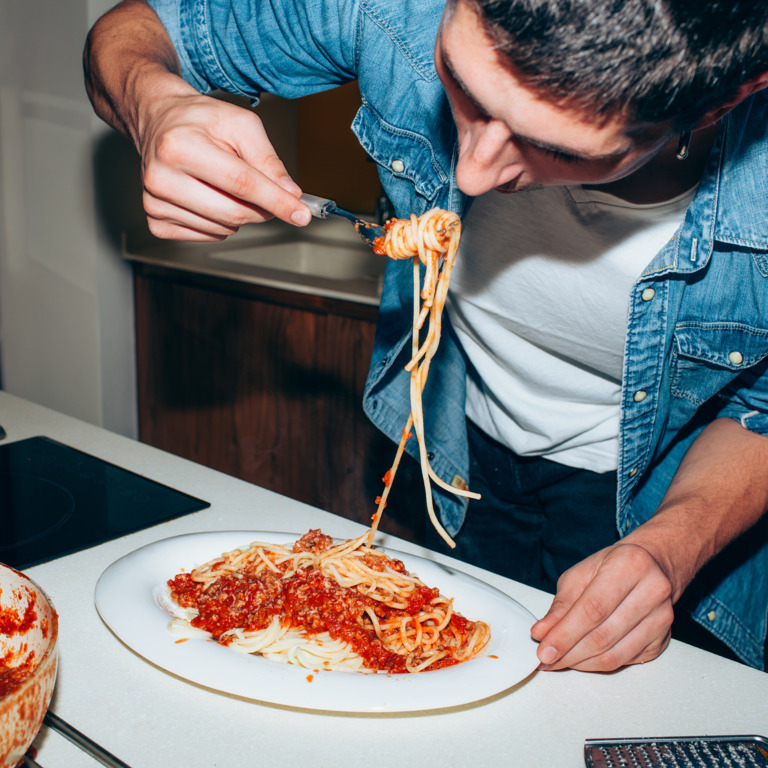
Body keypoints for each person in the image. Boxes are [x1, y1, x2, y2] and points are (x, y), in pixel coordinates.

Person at [83, 0, 768, 672]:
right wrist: (155, 105)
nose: (470, 174)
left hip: (678, 490)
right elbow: (131, 30)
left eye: (554, 147)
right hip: (458, 450)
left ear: (719, 103)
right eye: (459, 82)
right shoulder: (399, 8)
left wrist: (671, 547)